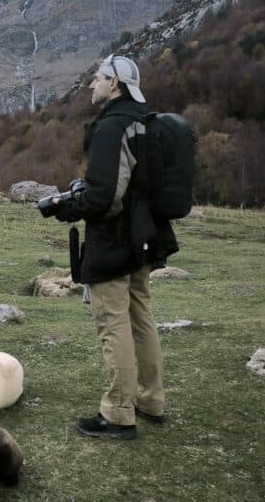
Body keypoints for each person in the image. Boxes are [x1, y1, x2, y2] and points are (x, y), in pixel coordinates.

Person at [49, 54, 178, 440]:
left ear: (115, 85)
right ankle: (151, 400)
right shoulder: (148, 122)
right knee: (141, 314)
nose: (91, 84)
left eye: (98, 78)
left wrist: (65, 208)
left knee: (113, 321)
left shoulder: (111, 128)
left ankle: (119, 412)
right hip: (147, 235)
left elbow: (105, 196)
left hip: (115, 239)